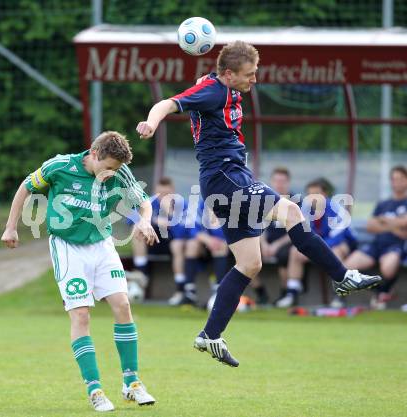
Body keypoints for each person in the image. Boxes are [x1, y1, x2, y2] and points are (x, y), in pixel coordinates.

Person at [136, 41, 381, 367]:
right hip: (227, 178)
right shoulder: (213, 90)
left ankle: (210, 335)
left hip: (226, 180)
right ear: (228, 74)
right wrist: (152, 124)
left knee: (250, 264)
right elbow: (167, 103)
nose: (254, 79)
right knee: (291, 210)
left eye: (255, 72)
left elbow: (202, 89)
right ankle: (343, 276)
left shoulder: (219, 86)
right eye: (248, 74)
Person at [1, 131, 157, 411]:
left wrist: (145, 222)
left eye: (117, 168)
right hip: (67, 247)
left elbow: (144, 202)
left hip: (101, 244)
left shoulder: (120, 172)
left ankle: (131, 383)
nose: (113, 173)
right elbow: (26, 186)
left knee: (122, 305)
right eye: (109, 167)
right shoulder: (59, 166)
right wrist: (11, 226)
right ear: (95, 155)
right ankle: (95, 389)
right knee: (81, 314)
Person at [275, 178, 357, 308]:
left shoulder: (336, 208)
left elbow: (338, 236)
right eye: (310, 194)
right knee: (294, 252)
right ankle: (292, 294)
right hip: (319, 245)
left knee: (336, 251)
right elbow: (304, 233)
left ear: (324, 194)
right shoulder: (306, 210)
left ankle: (340, 296)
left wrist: (317, 248)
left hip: (343, 243)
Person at [344, 165, 407, 310]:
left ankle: (383, 292)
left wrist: (384, 221)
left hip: (395, 245)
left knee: (388, 269)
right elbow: (370, 226)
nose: (396, 182)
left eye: (400, 179)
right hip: (376, 245)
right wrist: (395, 225)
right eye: (394, 179)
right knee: (346, 267)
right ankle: (381, 290)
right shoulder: (383, 203)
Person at [129, 176, 189, 305]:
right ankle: (142, 275)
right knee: (137, 231)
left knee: (178, 245)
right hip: (151, 243)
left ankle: (180, 290)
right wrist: (153, 221)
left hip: (173, 243)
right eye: (161, 193)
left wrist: (171, 215)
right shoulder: (147, 202)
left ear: (172, 191)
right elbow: (131, 219)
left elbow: (185, 230)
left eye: (166, 194)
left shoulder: (181, 203)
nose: (163, 196)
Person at [182, 199, 231, 308]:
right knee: (191, 245)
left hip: (229, 248)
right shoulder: (200, 205)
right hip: (206, 247)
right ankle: (190, 292)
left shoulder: (232, 203)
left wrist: (221, 241)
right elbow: (193, 230)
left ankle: (218, 293)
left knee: (220, 246)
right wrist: (208, 240)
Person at [257, 167, 294, 304]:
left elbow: (299, 230)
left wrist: (276, 245)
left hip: (287, 242)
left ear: (288, 182)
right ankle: (261, 294)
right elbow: (258, 226)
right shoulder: (264, 201)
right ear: (271, 182)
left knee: (284, 255)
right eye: (276, 181)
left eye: (283, 181)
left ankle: (285, 294)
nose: (279, 184)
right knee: (244, 255)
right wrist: (264, 244)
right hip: (267, 243)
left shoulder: (296, 202)